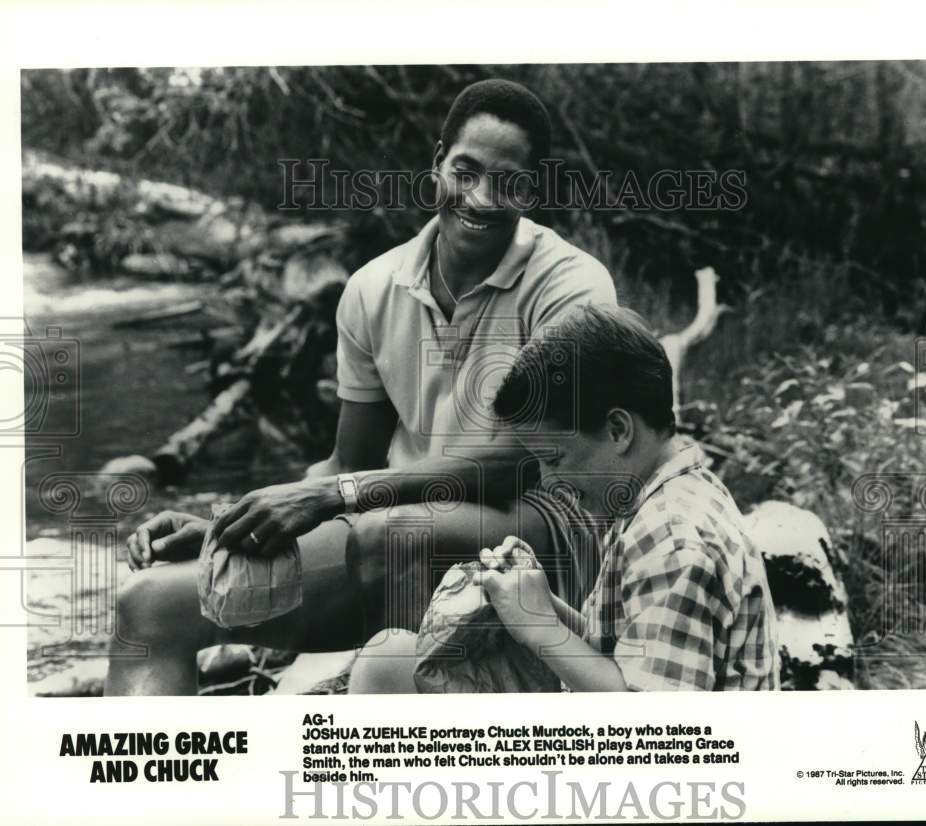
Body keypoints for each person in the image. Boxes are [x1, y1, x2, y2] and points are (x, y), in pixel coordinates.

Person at [105, 78, 617, 695]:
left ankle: (410, 718)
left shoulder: (573, 286)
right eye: (465, 170)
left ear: (531, 190)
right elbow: (349, 461)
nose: (479, 197)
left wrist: (340, 495)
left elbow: (524, 461)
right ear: (436, 165)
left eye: (507, 181)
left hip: (542, 542)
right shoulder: (373, 288)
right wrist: (232, 522)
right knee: (149, 604)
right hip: (393, 532)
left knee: (392, 538)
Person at [349, 304, 781, 693]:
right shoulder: (661, 499)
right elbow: (623, 653)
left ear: (617, 431)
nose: (549, 481)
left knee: (385, 672)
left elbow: (656, 731)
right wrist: (539, 607)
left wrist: (538, 628)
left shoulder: (673, 540)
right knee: (389, 659)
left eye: (554, 458)